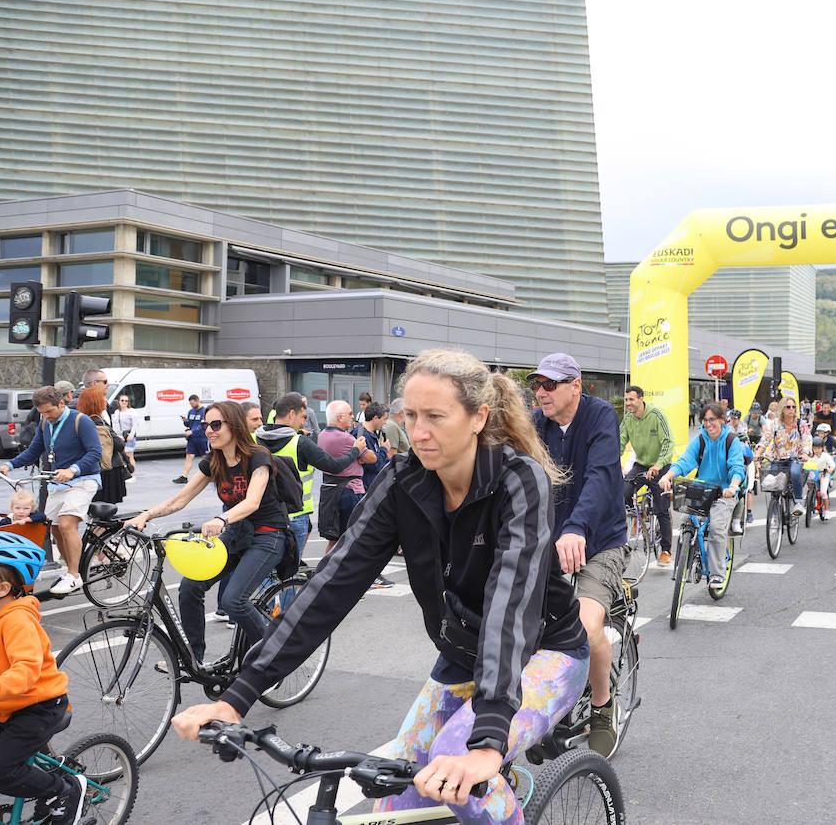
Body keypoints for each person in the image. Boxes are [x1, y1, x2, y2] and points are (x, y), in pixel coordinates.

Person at [168, 350, 589, 820]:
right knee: (396, 798)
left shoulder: (519, 480)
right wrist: (237, 697)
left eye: (435, 416)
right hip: (461, 655)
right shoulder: (403, 479)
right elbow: (333, 583)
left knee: (465, 772)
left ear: (478, 418)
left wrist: (488, 741)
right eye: (410, 416)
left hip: (544, 651)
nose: (419, 432)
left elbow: (510, 606)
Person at [125, 401, 288, 663]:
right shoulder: (214, 461)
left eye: (215, 425)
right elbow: (179, 500)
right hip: (237, 534)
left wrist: (221, 519)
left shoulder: (258, 456)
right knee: (190, 586)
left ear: (233, 426)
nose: (209, 431)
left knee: (234, 600)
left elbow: (253, 501)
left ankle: (274, 657)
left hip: (268, 535)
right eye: (205, 425)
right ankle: (193, 657)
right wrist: (144, 516)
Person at [529, 353, 625, 758]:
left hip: (600, 540)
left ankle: (603, 705)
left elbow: (601, 476)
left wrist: (576, 527)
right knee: (517, 626)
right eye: (537, 384)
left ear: (575, 385)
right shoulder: (535, 424)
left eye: (550, 384)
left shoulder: (601, 416)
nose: (540, 392)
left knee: (586, 627)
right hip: (549, 541)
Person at [0, 530, 89, 825]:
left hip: (38, 706)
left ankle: (64, 790)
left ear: (2, 588)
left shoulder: (17, 621)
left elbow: (26, 670)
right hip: (0, 703)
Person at [0, 385, 101, 596]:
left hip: (83, 479)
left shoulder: (81, 421)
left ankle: (74, 575)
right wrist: (9, 465)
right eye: (42, 412)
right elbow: (34, 451)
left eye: (49, 411)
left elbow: (95, 453)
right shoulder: (45, 423)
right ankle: (73, 568)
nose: (46, 416)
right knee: (53, 528)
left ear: (61, 403)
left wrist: (73, 470)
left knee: (66, 523)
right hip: (58, 481)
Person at [255, 392, 370, 556]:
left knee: (266, 564)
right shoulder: (300, 443)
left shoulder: (255, 439)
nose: (305, 422)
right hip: (295, 513)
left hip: (265, 512)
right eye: (303, 417)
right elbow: (334, 466)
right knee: (287, 571)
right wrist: (355, 451)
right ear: (291, 414)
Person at [658, 402, 745, 587]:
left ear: (722, 420)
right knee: (686, 524)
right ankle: (682, 566)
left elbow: (737, 467)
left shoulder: (731, 441)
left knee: (716, 529)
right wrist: (667, 476)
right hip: (702, 490)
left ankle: (717, 574)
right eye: (705, 420)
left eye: (712, 419)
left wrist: (733, 486)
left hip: (724, 492)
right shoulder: (700, 440)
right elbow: (684, 462)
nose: (708, 424)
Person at [619, 385, 675, 567]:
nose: (628, 403)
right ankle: (638, 516)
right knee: (622, 493)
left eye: (631, 399)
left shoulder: (656, 414)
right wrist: (611, 459)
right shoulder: (628, 418)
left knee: (661, 509)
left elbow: (668, 442)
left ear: (641, 399)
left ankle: (666, 550)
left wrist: (659, 465)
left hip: (661, 465)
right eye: (626, 399)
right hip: (641, 464)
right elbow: (618, 442)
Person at [317, 400, 377, 552]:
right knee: (352, 539)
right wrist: (365, 448)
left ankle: (326, 573)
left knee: (334, 540)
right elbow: (371, 458)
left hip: (330, 490)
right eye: (350, 414)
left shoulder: (322, 435)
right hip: (348, 492)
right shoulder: (346, 438)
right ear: (340, 417)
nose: (352, 417)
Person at [757, 395, 810, 516]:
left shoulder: (801, 424)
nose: (791, 409)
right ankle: (775, 513)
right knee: (773, 484)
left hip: (795, 458)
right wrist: (758, 453)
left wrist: (806, 453)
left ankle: (798, 502)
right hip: (777, 459)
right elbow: (766, 438)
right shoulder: (774, 424)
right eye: (788, 407)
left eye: (794, 407)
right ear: (782, 409)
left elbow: (807, 438)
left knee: (795, 472)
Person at [75, 387, 125, 506]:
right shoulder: (97, 420)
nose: (105, 401)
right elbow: (118, 445)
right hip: (107, 469)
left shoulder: (79, 419)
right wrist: (119, 439)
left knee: (93, 507)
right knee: (105, 509)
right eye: (102, 398)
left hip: (91, 468)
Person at [174, 394, 208, 484]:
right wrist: (185, 421)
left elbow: (202, 425)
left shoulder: (204, 412)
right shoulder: (191, 411)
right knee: (189, 456)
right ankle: (184, 476)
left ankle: (213, 474)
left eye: (193, 403)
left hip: (202, 439)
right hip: (192, 439)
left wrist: (192, 431)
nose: (192, 405)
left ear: (197, 400)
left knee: (206, 458)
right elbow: (189, 424)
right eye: (190, 404)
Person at [357, 403, 390, 491]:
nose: (385, 422)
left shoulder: (371, 433)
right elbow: (375, 465)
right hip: (366, 486)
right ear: (375, 418)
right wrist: (384, 449)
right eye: (384, 419)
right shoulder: (362, 436)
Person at [803, 434, 836, 520]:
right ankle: (810, 493)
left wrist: (830, 469)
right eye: (815, 448)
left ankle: (827, 510)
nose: (817, 450)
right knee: (808, 479)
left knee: (823, 492)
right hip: (814, 474)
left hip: (824, 475)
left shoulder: (826, 456)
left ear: (822, 448)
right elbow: (805, 463)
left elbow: (832, 464)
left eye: (819, 448)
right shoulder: (811, 456)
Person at [110, 393, 138, 478]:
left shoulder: (131, 411)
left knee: (129, 456)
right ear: (119, 401)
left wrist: (131, 435)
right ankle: (125, 474)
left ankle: (132, 474)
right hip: (119, 436)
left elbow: (135, 424)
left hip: (129, 435)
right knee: (122, 456)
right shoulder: (116, 412)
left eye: (126, 401)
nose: (124, 402)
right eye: (122, 400)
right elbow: (114, 425)